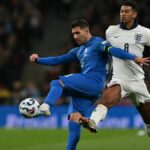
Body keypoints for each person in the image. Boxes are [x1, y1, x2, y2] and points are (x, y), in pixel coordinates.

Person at [29, 19, 149, 150]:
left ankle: (46, 106)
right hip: (85, 90)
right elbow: (58, 59)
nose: (75, 37)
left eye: (77, 33)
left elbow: (114, 50)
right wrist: (38, 60)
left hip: (94, 82)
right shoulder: (77, 51)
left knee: (58, 82)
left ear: (86, 31)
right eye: (73, 34)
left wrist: (134, 57)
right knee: (74, 123)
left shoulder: (98, 43)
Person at [78, 1, 150, 137]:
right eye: (121, 11)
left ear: (134, 14)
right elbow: (109, 50)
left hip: (138, 81)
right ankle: (92, 121)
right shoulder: (111, 31)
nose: (122, 14)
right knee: (106, 100)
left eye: (126, 11)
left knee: (149, 120)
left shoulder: (145, 33)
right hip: (120, 79)